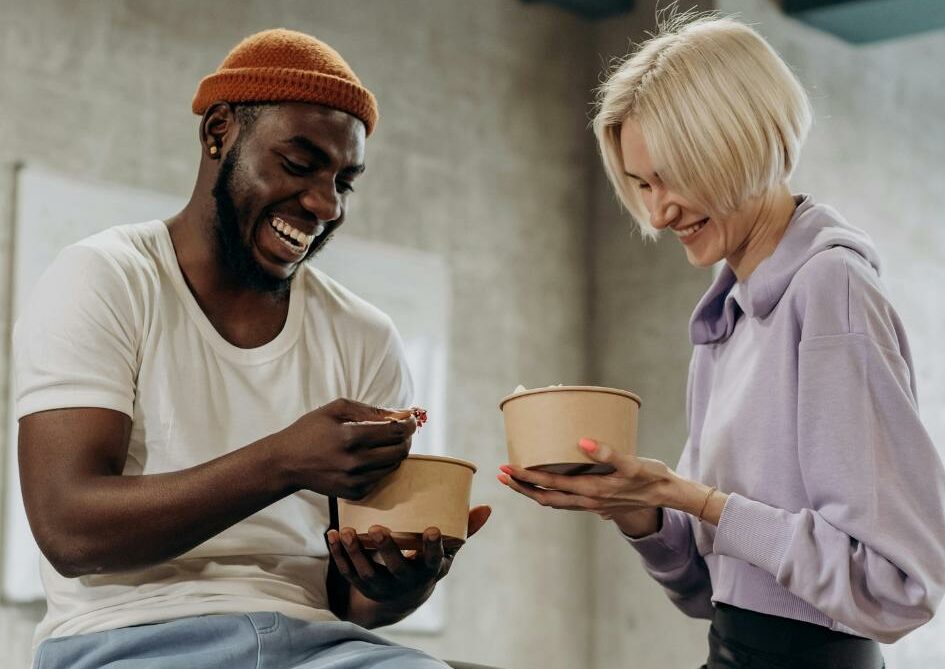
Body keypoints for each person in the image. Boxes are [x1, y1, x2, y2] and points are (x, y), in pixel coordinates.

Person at [15, 28, 489, 669]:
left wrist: (399, 584)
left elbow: (351, 602)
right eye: (298, 165)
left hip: (321, 647)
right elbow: (68, 529)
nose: (323, 204)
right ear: (218, 133)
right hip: (127, 641)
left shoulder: (363, 335)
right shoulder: (106, 278)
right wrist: (282, 463)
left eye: (344, 182)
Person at [498, 13, 945, 669]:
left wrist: (692, 497)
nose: (656, 213)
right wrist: (638, 509)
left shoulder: (830, 289)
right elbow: (709, 588)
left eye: (673, 176)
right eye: (642, 184)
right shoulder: (722, 319)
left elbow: (897, 586)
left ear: (743, 142)